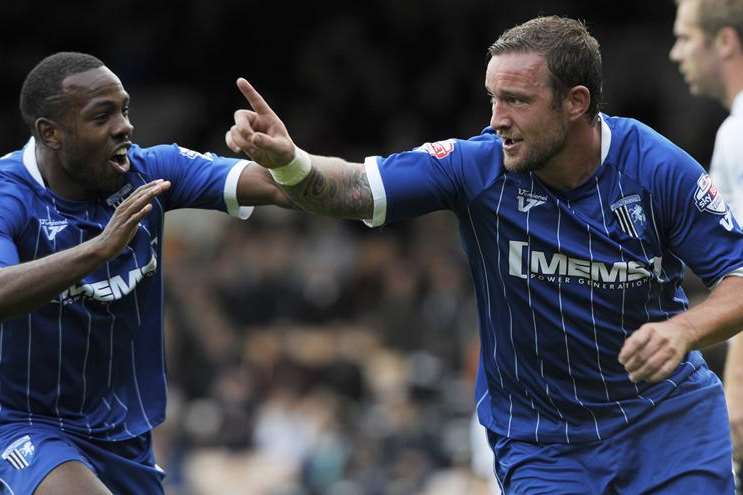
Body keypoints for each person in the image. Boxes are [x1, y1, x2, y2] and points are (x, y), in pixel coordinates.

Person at [227, 16, 743, 493]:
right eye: (492, 99)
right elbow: (355, 188)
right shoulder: (476, 167)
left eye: (516, 100)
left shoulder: (655, 167)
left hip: (665, 425)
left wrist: (683, 330)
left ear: (576, 102)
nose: (496, 119)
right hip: (545, 442)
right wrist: (291, 162)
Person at [0, 52, 288, 494]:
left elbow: (278, 187)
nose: (125, 126)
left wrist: (291, 163)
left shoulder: (148, 172)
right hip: (22, 423)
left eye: (125, 110)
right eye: (103, 115)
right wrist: (98, 250)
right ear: (50, 133)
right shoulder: (9, 195)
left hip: (120, 433)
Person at [670, 0, 743, 484]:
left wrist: (736, 393)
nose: (676, 53)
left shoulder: (738, 137)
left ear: (725, 42)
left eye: (685, 37)